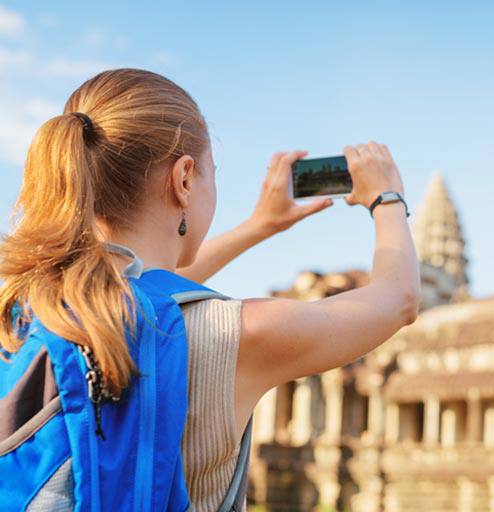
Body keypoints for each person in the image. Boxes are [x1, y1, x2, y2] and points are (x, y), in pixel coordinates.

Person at [0, 68, 420, 511]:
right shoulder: (233, 335)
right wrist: (386, 198)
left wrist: (258, 227)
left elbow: (149, 287)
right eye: (210, 175)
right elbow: (398, 300)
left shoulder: (22, 309)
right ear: (184, 179)